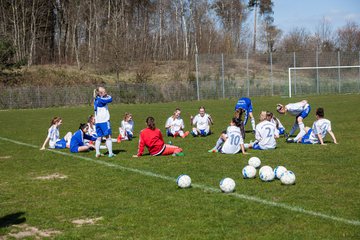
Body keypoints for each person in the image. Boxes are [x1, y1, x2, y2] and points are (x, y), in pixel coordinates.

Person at [93, 86, 115, 157]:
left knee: (99, 137)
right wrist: (106, 95)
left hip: (98, 122)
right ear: (100, 93)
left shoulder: (96, 99)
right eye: (104, 91)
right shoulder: (101, 99)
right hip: (104, 121)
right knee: (108, 137)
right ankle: (110, 153)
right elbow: (110, 99)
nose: (105, 92)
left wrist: (103, 94)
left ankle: (97, 152)